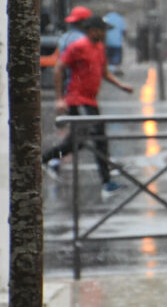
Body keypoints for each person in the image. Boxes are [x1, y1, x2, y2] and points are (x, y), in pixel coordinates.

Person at [43, 16, 134, 196]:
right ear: (92, 30)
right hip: (78, 100)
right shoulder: (78, 47)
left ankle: (46, 159)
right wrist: (60, 98)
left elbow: (104, 73)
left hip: (90, 100)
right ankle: (106, 182)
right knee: (98, 137)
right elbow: (59, 67)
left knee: (78, 141)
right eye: (102, 31)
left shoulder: (100, 48)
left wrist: (121, 85)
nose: (105, 35)